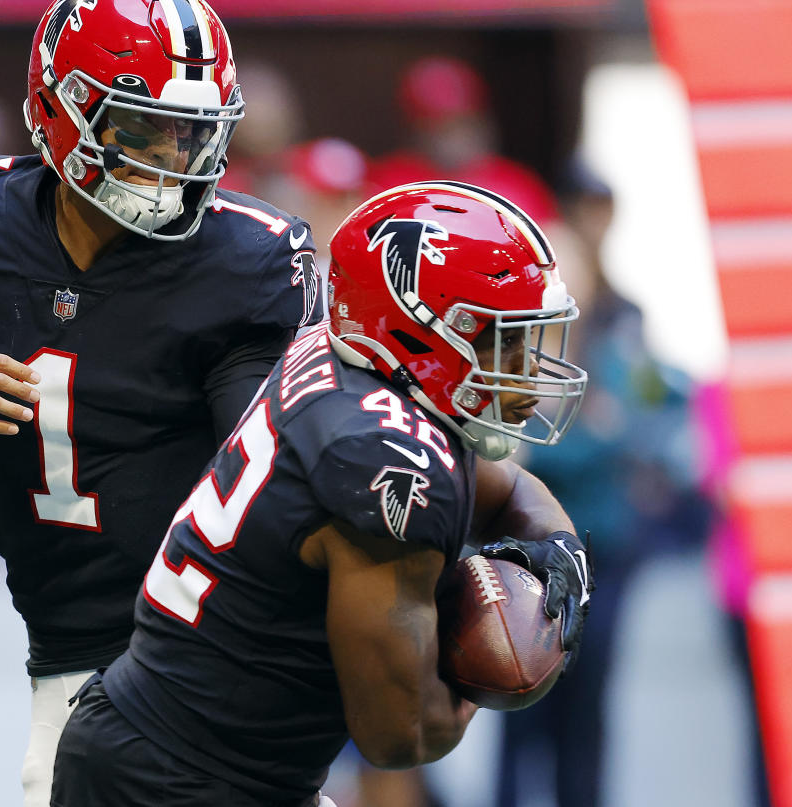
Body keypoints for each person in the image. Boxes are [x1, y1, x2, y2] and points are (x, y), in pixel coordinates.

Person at [0, 2, 324, 805]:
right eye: (146, 129)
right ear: (60, 110)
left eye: (194, 131)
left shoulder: (245, 262)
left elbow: (280, 486)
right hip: (70, 666)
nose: (176, 158)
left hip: (214, 663)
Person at [50, 181, 594, 807]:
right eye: (505, 339)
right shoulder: (387, 462)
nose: (527, 370)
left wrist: (561, 551)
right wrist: (504, 651)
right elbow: (403, 736)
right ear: (422, 330)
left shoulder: (354, 372)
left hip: (182, 759)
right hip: (177, 781)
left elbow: (511, 490)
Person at [493, 158, 709, 807]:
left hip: (606, 547)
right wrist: (605, 439)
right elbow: (526, 451)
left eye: (602, 208)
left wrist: (645, 438)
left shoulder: (622, 317)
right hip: (534, 548)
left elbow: (655, 395)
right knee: (520, 697)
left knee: (588, 703)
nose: (593, 224)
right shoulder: (529, 342)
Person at [368, 56, 558, 225]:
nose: (455, 136)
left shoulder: (517, 183)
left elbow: (555, 249)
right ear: (415, 128)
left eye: (463, 121)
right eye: (439, 125)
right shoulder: (388, 184)